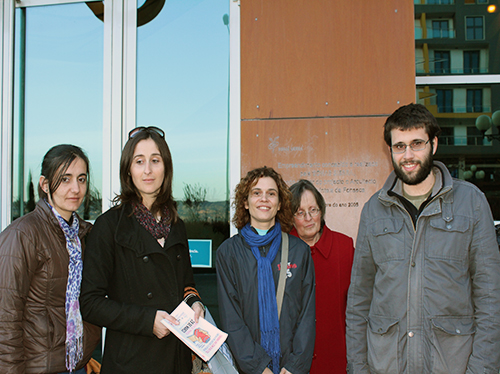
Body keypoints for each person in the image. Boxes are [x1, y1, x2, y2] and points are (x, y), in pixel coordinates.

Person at [345, 103, 500, 373]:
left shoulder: (471, 203)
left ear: (434, 144)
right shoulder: (374, 210)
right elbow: (359, 300)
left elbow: (490, 298)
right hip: (388, 365)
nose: (408, 155)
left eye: (417, 143)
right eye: (400, 146)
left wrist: (482, 369)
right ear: (390, 150)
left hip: (454, 365)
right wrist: (358, 368)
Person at [80, 127, 204, 374]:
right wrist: (147, 322)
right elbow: (90, 303)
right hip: (131, 361)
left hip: (176, 360)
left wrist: (195, 303)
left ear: (166, 167)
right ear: (128, 169)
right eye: (139, 161)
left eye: (155, 161)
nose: (147, 170)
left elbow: (186, 284)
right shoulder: (109, 226)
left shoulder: (176, 225)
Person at [0, 144, 101, 374]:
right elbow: (5, 320)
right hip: (37, 367)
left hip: (76, 364)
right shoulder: (23, 235)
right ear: (45, 185)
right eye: (65, 179)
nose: (76, 188)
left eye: (82, 179)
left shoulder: (83, 236)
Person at [216, 166, 315, 374]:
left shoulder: (300, 251)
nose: (264, 199)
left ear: (279, 204)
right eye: (256, 193)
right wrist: (259, 367)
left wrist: (294, 366)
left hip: (289, 368)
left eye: (271, 194)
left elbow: (307, 315)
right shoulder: (228, 253)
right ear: (245, 202)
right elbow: (230, 319)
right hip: (248, 368)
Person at [289, 179, 354, 373]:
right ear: (290, 217)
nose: (308, 218)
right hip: (291, 364)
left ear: (321, 211)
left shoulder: (345, 248)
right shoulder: (280, 250)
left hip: (336, 360)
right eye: (300, 212)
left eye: (313, 210)